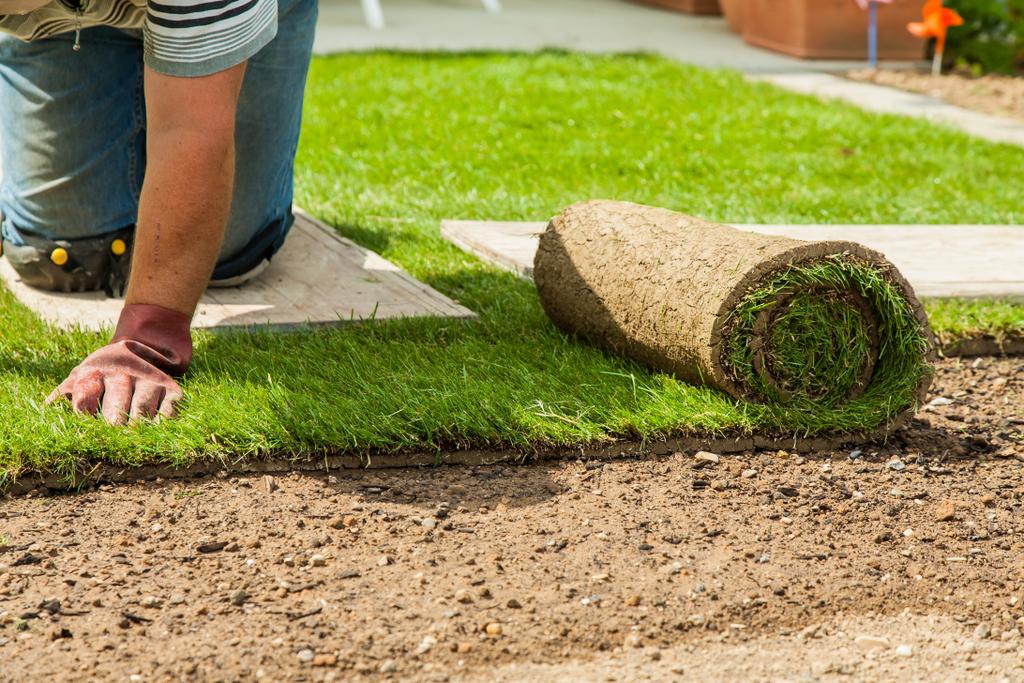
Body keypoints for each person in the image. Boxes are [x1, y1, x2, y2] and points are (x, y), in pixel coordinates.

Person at [0, 0, 317, 424]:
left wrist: (148, 335)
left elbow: (192, 130)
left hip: (225, 9)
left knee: (227, 252)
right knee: (64, 258)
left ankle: (187, 46)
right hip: (62, 27)